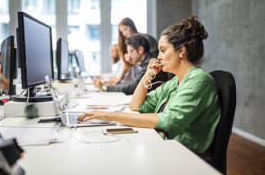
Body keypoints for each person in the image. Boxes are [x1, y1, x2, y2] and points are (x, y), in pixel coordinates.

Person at [79, 16, 221, 155]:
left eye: (163, 50)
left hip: (184, 154)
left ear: (181, 51)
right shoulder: (174, 82)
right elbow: (136, 105)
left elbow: (168, 123)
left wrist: (110, 116)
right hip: (168, 145)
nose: (158, 57)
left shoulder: (198, 80)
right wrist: (148, 74)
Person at [93, 33, 168, 95]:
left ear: (140, 50)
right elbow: (133, 83)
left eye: (130, 51)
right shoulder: (145, 62)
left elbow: (133, 87)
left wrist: (106, 87)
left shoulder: (150, 62)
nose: (128, 55)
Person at [116, 18, 158, 83]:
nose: (124, 33)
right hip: (139, 73)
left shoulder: (146, 39)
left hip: (152, 74)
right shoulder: (129, 44)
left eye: (125, 29)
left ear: (131, 26)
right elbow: (142, 63)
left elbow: (151, 60)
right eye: (122, 32)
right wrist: (118, 80)